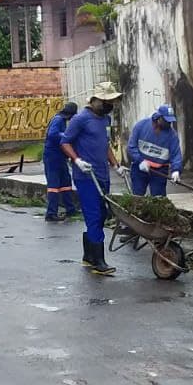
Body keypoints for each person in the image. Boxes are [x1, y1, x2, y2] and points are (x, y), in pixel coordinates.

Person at [62, 82, 124, 276]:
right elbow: (65, 142)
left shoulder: (105, 119)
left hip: (102, 174)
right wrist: (77, 160)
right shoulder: (81, 119)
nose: (109, 105)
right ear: (95, 100)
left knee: (103, 214)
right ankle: (99, 262)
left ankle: (89, 256)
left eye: (111, 101)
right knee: (94, 215)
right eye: (106, 101)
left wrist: (116, 165)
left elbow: (105, 146)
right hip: (86, 176)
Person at [127, 104, 183, 197]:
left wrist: (176, 170)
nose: (169, 124)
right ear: (158, 118)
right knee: (137, 197)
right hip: (140, 168)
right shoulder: (141, 126)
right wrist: (140, 161)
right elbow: (131, 146)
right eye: (166, 121)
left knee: (159, 198)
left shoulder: (172, 136)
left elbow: (176, 155)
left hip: (160, 171)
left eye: (170, 121)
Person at [42, 102, 78, 221]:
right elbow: (53, 135)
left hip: (60, 156)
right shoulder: (58, 120)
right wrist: (67, 136)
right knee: (54, 184)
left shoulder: (62, 120)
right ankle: (51, 213)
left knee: (65, 183)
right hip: (52, 156)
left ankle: (70, 209)